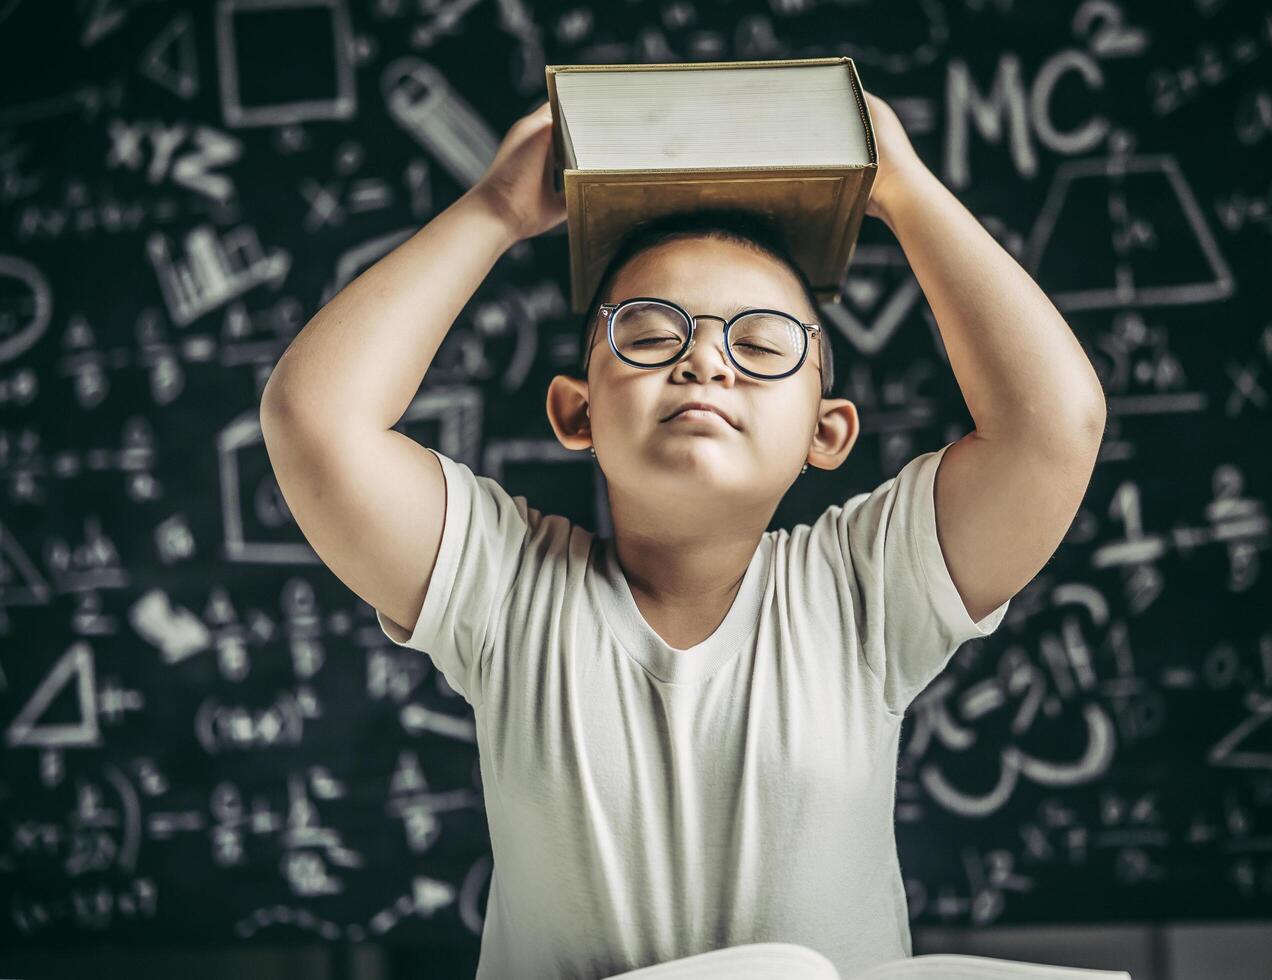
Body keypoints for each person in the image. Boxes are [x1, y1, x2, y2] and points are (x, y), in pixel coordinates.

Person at [260, 90, 1106, 980]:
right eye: (652, 334)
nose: (705, 360)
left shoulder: (865, 590)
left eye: (765, 346)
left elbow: (1053, 428)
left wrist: (904, 189)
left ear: (827, 432)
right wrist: (497, 211)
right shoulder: (507, 589)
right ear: (576, 411)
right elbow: (314, 421)